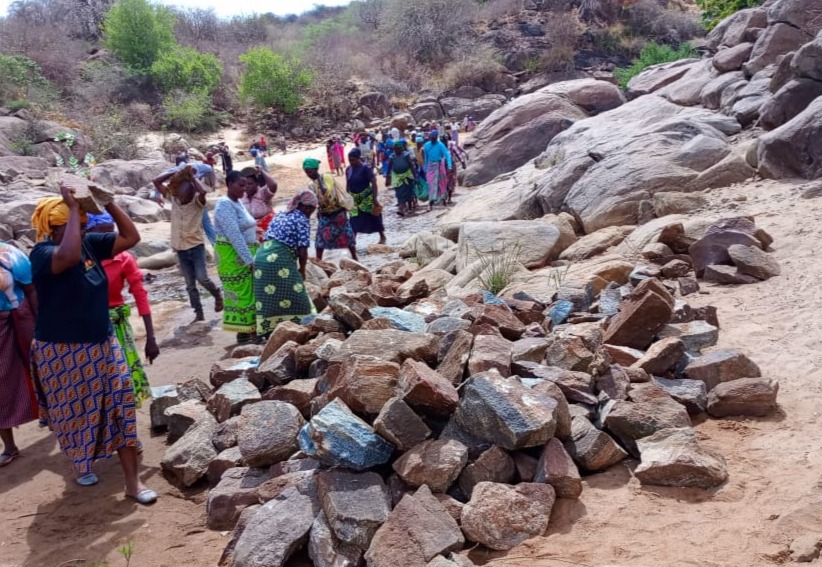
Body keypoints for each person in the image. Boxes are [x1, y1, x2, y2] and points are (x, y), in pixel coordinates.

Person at [29, 186, 157, 504]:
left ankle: (133, 482)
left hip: (102, 343)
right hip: (61, 352)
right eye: (75, 223)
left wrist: (108, 202)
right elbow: (67, 256)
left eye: (85, 223)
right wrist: (73, 208)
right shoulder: (42, 254)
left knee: (121, 404)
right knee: (73, 415)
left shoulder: (89, 244)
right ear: (54, 227)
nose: (84, 228)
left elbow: (131, 238)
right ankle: (82, 462)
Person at [86, 213, 159, 406]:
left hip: (117, 327)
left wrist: (151, 337)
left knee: (124, 377)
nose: (109, 241)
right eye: (102, 236)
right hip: (88, 328)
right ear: (89, 234)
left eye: (111, 234)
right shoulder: (80, 259)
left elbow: (139, 294)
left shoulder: (124, 258)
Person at [153, 165, 223, 323]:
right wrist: (176, 173)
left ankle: (217, 294)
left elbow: (203, 191)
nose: (183, 198)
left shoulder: (198, 203)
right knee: (190, 285)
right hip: (180, 249)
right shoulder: (174, 199)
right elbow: (156, 181)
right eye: (181, 194)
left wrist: (191, 177)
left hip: (195, 247)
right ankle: (199, 314)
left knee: (202, 278)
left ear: (192, 194)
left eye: (187, 195)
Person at [254, 190, 318, 337]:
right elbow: (303, 250)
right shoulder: (302, 219)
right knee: (298, 294)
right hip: (277, 258)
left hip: (261, 256)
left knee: (268, 296)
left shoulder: (283, 214)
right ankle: (307, 325)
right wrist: (302, 270)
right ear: (307, 207)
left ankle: (269, 330)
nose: (311, 213)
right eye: (312, 209)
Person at [0, 241, 38, 468]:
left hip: (21, 318)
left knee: (41, 370)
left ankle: (59, 423)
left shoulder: (10, 255)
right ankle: (10, 446)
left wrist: (41, 325)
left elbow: (32, 290)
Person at [214, 171, 260, 344]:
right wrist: (249, 260)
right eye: (241, 185)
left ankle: (250, 331)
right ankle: (245, 334)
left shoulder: (237, 201)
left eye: (246, 185)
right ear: (229, 184)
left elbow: (245, 225)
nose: (245, 188)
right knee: (243, 292)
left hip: (244, 252)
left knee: (250, 291)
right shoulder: (224, 205)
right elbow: (234, 235)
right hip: (233, 256)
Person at [304, 158, 357, 261]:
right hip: (325, 214)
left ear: (316, 169)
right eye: (306, 173)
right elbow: (314, 200)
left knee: (347, 235)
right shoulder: (311, 185)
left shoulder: (327, 177)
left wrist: (319, 178)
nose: (308, 175)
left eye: (310, 172)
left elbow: (326, 192)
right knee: (320, 239)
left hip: (338, 212)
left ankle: (354, 256)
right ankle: (319, 260)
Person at [346, 148, 386, 244]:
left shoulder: (365, 168)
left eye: (353, 160)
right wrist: (347, 196)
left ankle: (382, 236)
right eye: (350, 160)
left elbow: (374, 182)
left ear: (358, 158)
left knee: (373, 217)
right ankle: (352, 241)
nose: (351, 162)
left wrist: (374, 198)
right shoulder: (348, 169)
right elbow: (348, 183)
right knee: (353, 219)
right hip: (354, 198)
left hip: (366, 198)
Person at [240, 166, 278, 242]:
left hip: (269, 230)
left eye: (250, 184)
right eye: (245, 184)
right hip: (252, 234)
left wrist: (262, 171)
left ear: (257, 184)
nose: (247, 186)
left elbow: (273, 185)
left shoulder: (262, 193)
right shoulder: (242, 196)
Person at [385, 140, 418, 217]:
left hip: (407, 175)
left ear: (401, 149)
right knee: (399, 193)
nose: (396, 150)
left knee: (409, 191)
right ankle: (401, 208)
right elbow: (389, 168)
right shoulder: (392, 157)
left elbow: (411, 166)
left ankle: (410, 206)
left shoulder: (406, 155)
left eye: (398, 149)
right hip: (397, 177)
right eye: (395, 149)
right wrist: (387, 178)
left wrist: (415, 176)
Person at [423, 130, 452, 209]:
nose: (433, 140)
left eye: (434, 138)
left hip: (439, 165)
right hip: (430, 167)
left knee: (442, 183)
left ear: (436, 138)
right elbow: (426, 158)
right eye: (431, 138)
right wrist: (425, 168)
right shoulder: (426, 145)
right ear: (430, 138)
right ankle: (430, 203)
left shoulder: (440, 145)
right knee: (431, 184)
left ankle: (443, 201)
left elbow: (447, 155)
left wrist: (449, 166)